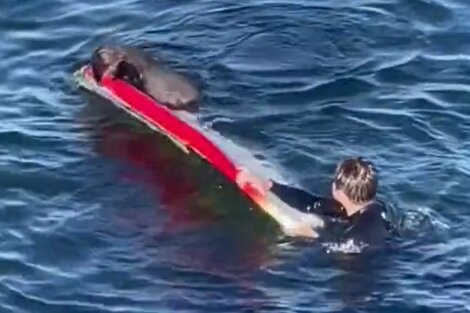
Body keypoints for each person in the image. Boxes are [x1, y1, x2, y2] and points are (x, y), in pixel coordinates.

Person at [236, 157, 390, 246]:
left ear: (339, 191)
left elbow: (351, 242)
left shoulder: (372, 219)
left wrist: (314, 235)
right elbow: (309, 202)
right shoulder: (353, 209)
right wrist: (270, 186)